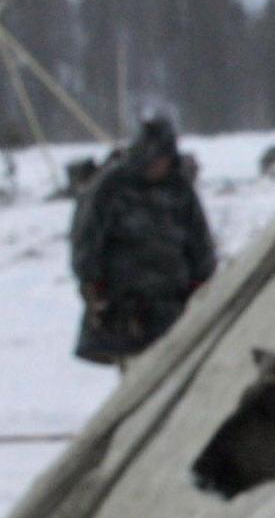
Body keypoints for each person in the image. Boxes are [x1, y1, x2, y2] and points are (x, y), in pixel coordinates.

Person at [69, 117, 215, 368]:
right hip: (125, 306)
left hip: (173, 303)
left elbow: (199, 239)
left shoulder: (178, 188)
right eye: (154, 158)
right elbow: (87, 239)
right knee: (138, 375)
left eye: (164, 158)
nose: (159, 165)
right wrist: (93, 285)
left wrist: (201, 281)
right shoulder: (110, 187)